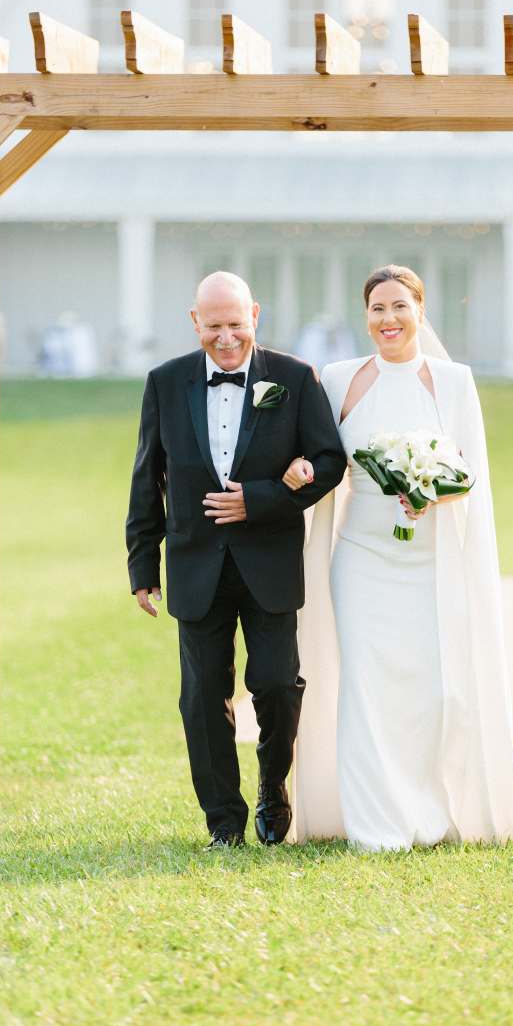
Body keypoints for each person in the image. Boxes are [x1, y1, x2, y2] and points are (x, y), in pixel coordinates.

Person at [286, 264, 513, 850]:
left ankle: (425, 812)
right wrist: (299, 469)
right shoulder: (340, 380)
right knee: (365, 686)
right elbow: (321, 457)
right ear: (365, 316)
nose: (389, 319)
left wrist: (432, 493)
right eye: (377, 308)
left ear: (420, 311)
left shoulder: (453, 382)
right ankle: (374, 824)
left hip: (429, 563)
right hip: (361, 560)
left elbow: (470, 473)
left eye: (400, 306)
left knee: (428, 691)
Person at [126, 272, 347, 849]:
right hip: (195, 564)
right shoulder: (165, 382)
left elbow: (329, 460)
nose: (226, 338)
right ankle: (223, 822)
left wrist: (263, 499)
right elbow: (147, 477)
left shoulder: (294, 378)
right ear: (194, 321)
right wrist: (142, 565)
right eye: (214, 326)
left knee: (276, 684)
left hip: (269, 561)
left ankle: (274, 787)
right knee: (202, 699)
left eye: (235, 324)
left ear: (255, 315)